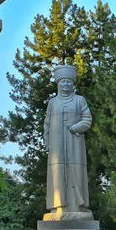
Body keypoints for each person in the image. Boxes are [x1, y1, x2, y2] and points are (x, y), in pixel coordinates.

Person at [44, 64, 92, 220]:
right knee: (57, 175)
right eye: (63, 82)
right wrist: (47, 142)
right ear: (58, 83)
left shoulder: (80, 100)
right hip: (56, 147)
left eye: (68, 82)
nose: (65, 85)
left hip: (75, 144)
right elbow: (47, 123)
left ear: (73, 84)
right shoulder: (53, 102)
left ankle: (78, 206)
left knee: (76, 174)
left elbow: (87, 119)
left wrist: (77, 127)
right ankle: (58, 207)